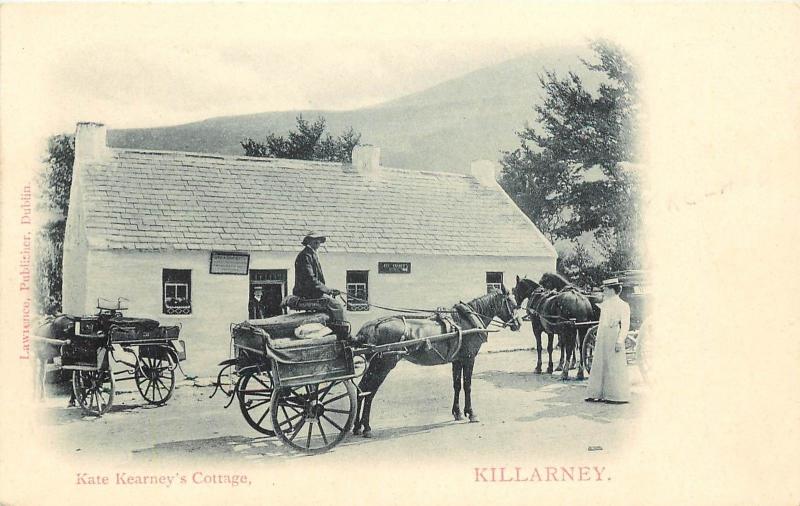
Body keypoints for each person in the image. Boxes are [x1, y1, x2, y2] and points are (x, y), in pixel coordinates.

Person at [293, 231, 349, 338]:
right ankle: (343, 336)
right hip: (306, 292)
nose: (318, 243)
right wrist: (327, 290)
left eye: (319, 241)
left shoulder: (311, 254)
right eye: (316, 240)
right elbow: (310, 279)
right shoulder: (305, 256)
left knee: (333, 304)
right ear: (310, 241)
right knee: (337, 306)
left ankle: (331, 330)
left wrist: (329, 289)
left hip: (312, 291)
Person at [585, 278, 631, 404]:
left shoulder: (623, 305)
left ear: (612, 290)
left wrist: (620, 341)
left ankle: (616, 395)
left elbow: (625, 325)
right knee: (599, 363)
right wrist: (598, 339)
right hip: (603, 336)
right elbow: (601, 324)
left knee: (614, 364)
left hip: (613, 335)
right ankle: (596, 393)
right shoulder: (605, 305)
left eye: (605, 289)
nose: (603, 291)